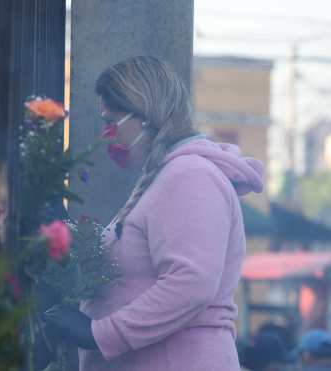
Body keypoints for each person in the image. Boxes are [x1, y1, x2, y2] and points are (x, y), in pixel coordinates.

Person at [44, 56, 264, 370]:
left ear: (145, 116)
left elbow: (191, 283)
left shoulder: (190, 177)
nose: (107, 135)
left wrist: (98, 334)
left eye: (112, 122)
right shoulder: (165, 177)